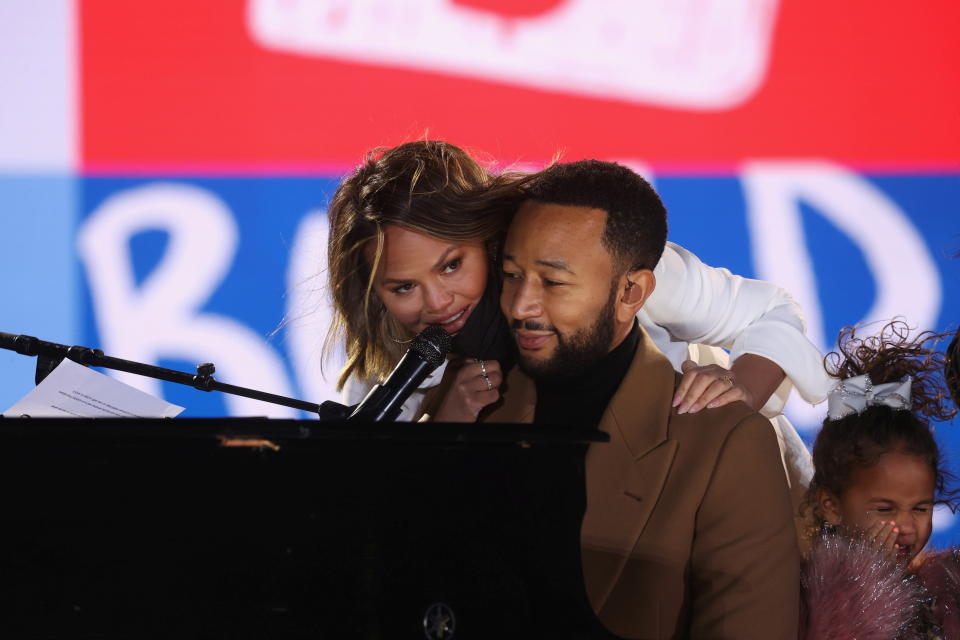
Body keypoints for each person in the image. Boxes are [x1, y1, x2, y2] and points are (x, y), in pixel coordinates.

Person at [326, 141, 829, 457]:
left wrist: (736, 392)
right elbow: (381, 510)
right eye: (402, 287)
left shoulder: (588, 255)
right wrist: (446, 421)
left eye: (452, 265)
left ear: (487, 236)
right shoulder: (384, 364)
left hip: (725, 506)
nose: (436, 302)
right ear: (372, 294)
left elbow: (770, 310)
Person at [482, 159, 799, 639]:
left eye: (553, 283)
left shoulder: (726, 444)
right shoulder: (473, 405)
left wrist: (742, 392)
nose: (520, 305)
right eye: (509, 275)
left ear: (633, 292)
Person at [801, 321, 959, 640]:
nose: (906, 526)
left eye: (920, 508)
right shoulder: (817, 593)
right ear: (831, 506)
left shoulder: (946, 585)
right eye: (885, 510)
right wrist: (865, 584)